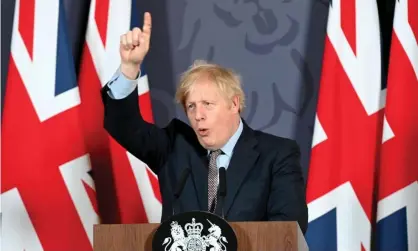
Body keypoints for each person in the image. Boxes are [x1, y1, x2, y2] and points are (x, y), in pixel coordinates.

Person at [101, 12, 308, 234]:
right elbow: (123, 126)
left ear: (234, 104)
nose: (198, 115)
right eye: (191, 106)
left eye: (208, 104)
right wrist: (130, 67)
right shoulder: (174, 147)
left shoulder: (276, 154)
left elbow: (288, 229)